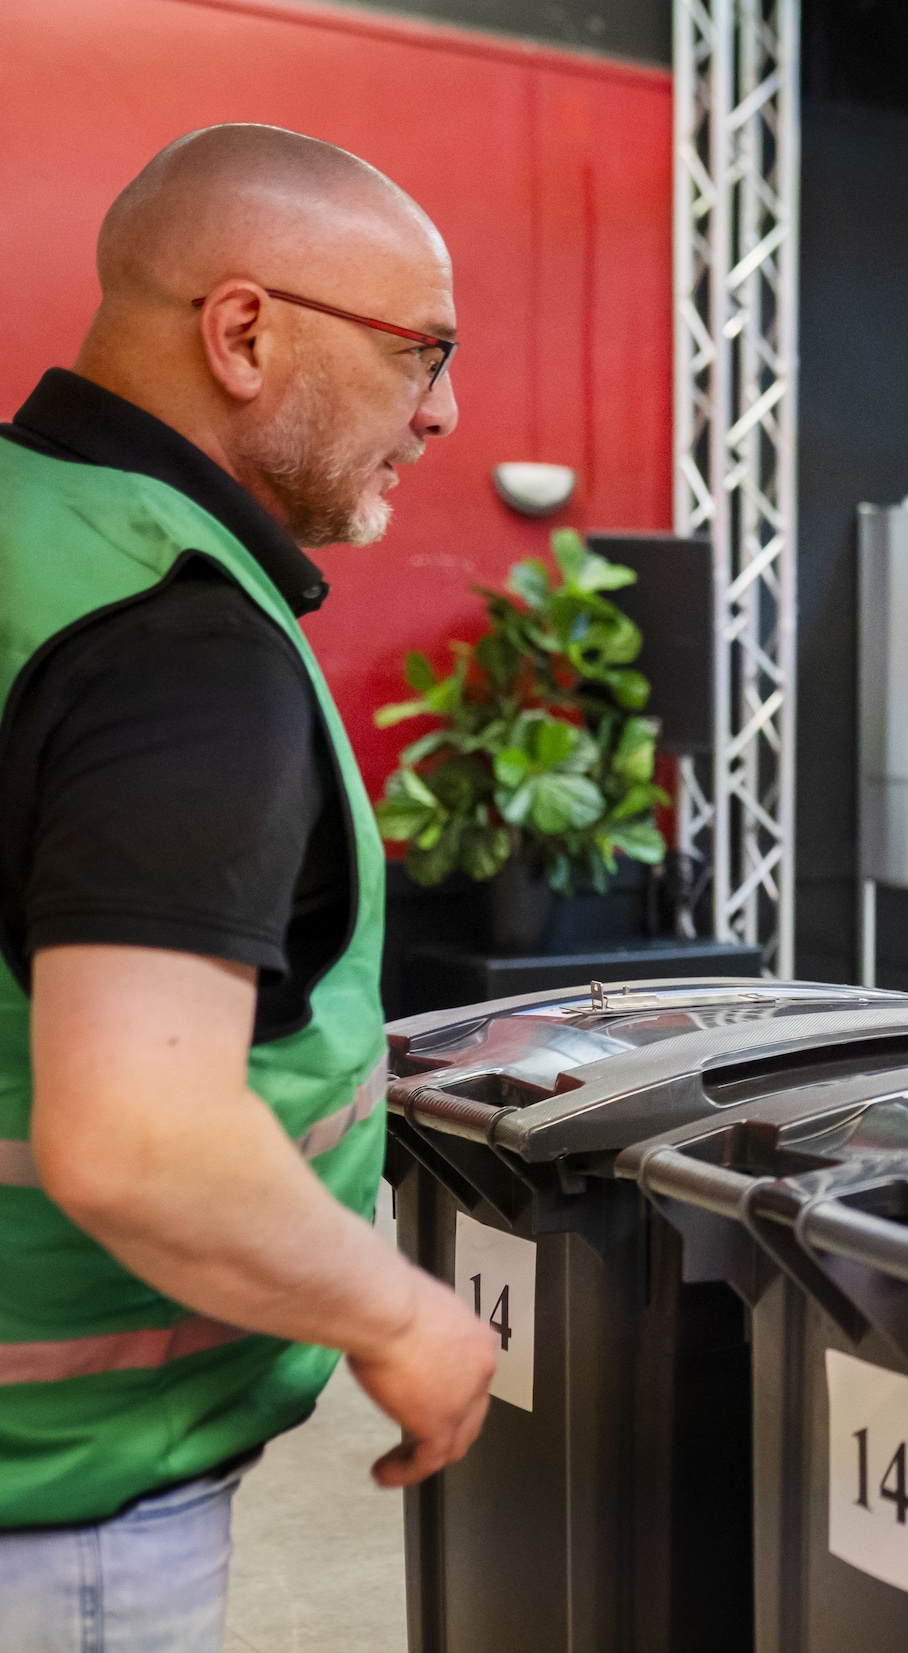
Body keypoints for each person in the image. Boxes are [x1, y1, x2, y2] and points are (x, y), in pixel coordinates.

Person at [0, 126, 495, 1649]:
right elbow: (140, 1139)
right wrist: (404, 1313)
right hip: (64, 1508)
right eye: (424, 353)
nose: (445, 412)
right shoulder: (173, 637)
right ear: (244, 330)